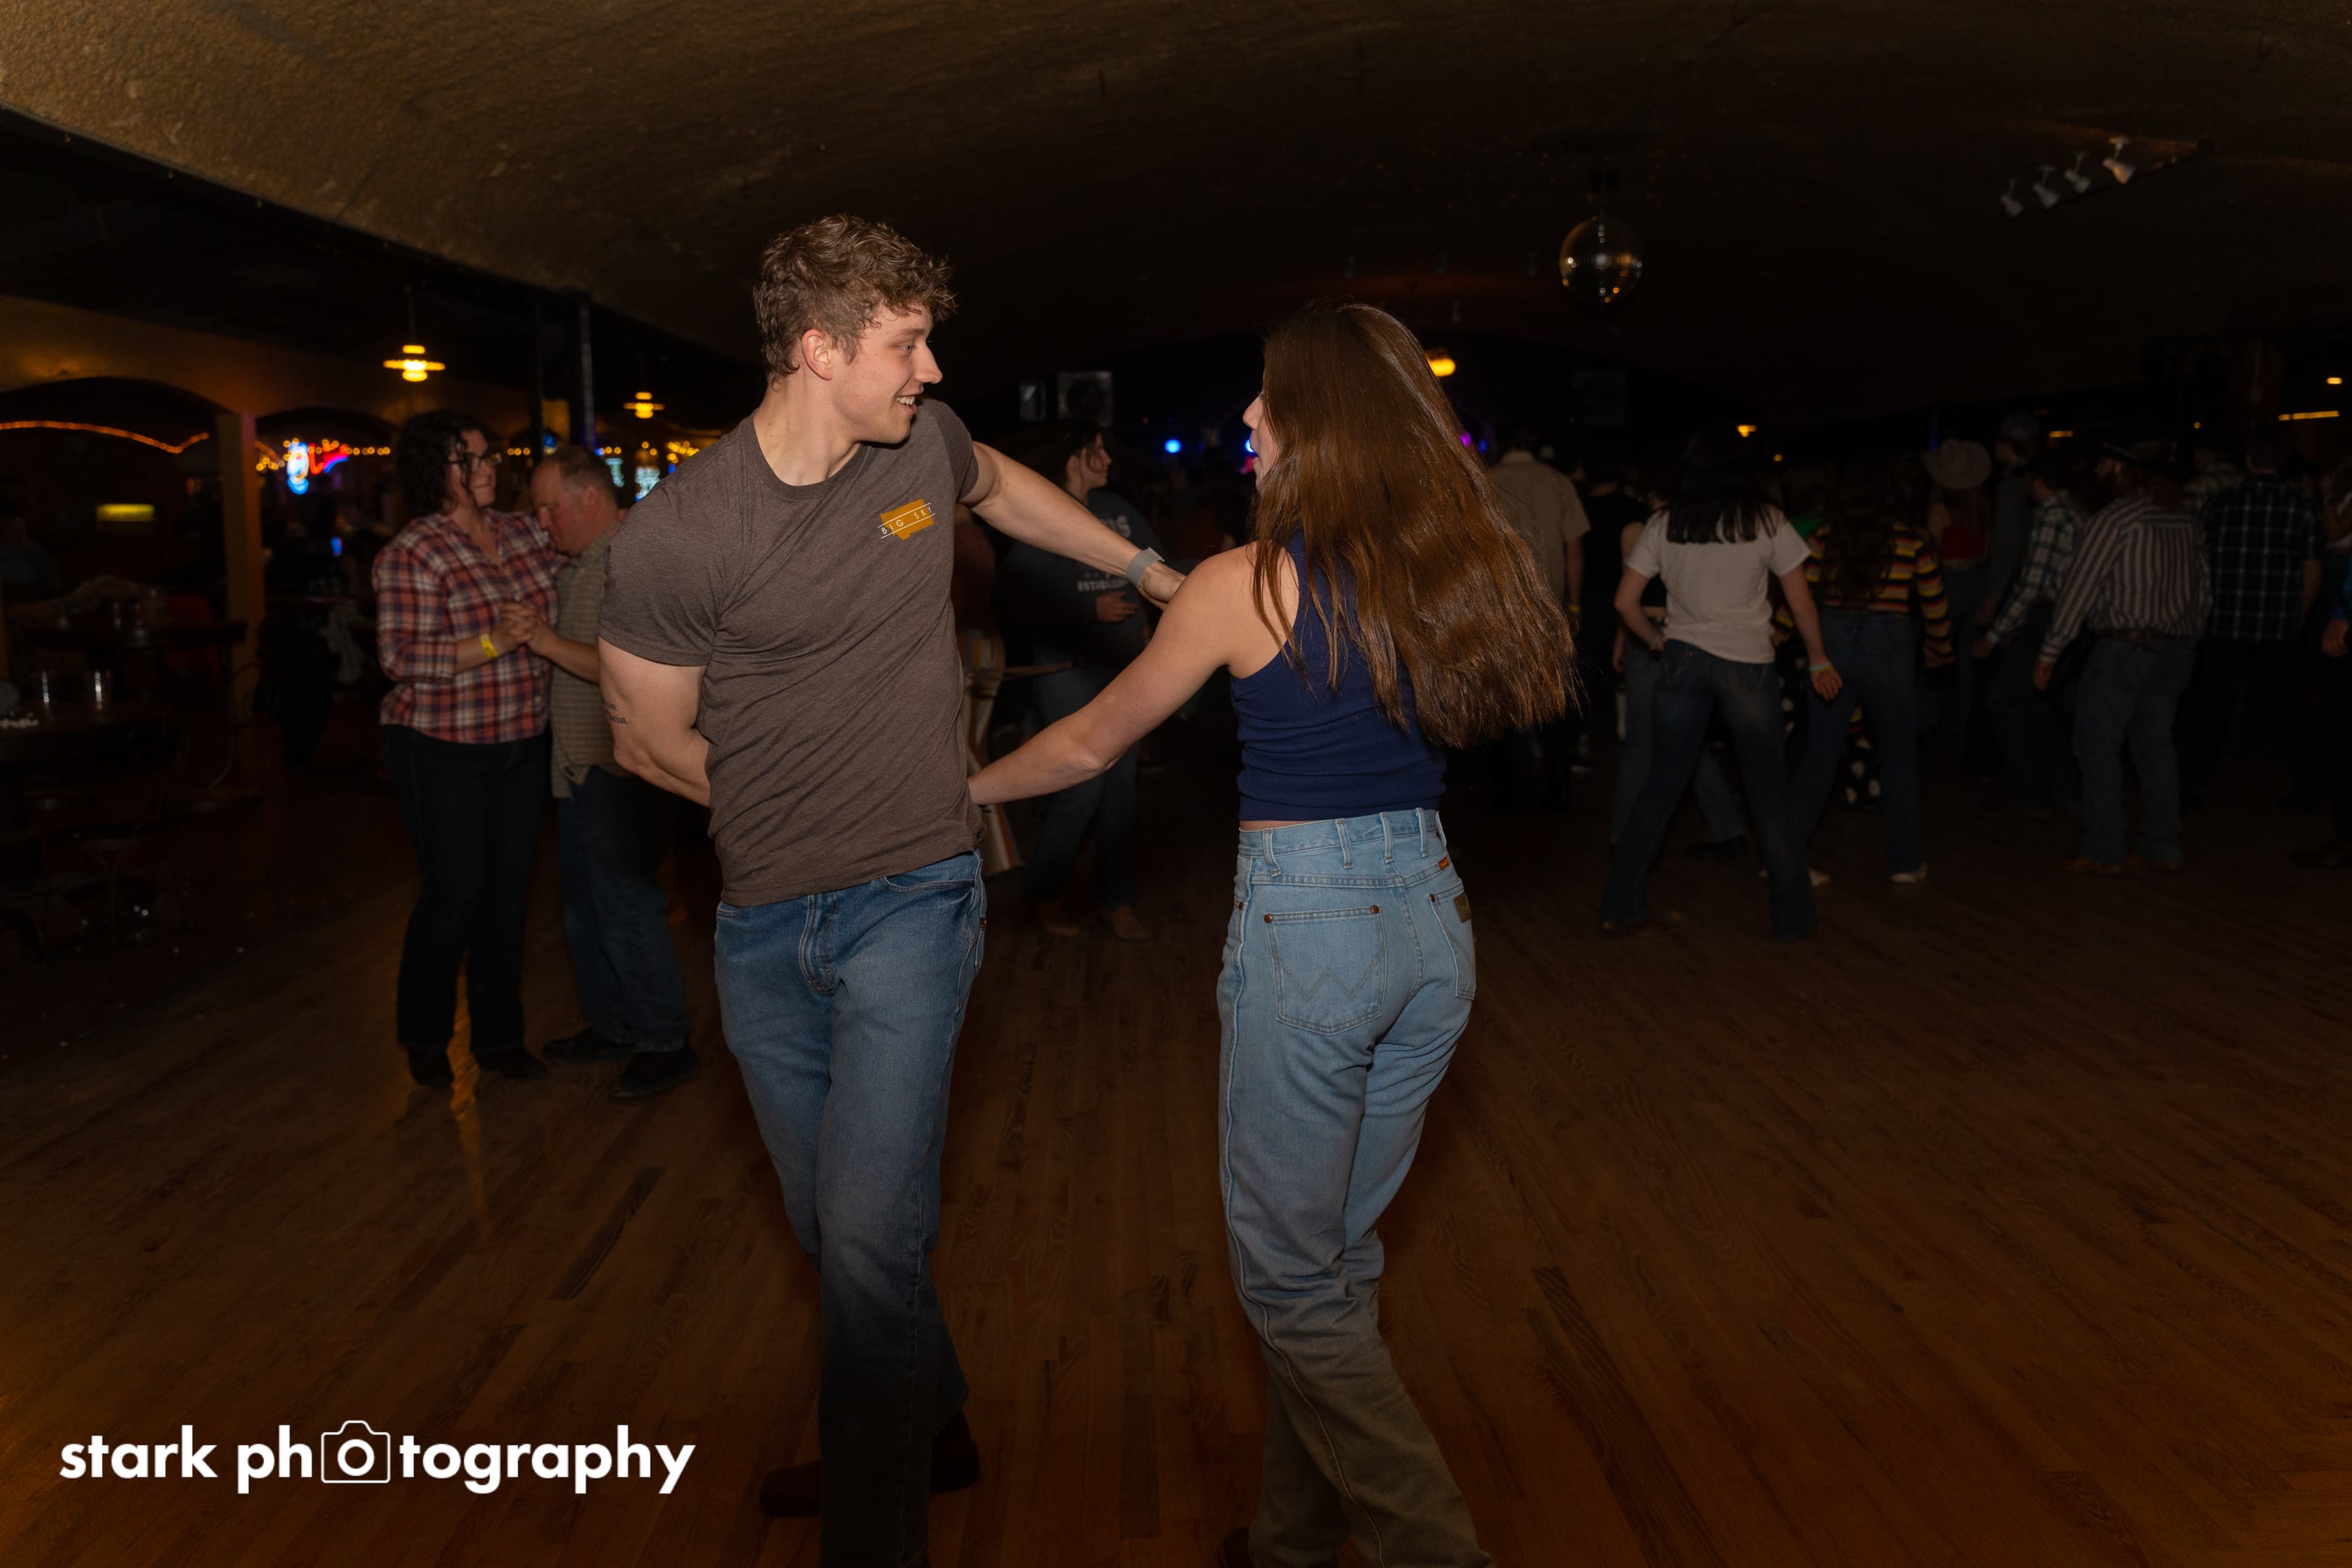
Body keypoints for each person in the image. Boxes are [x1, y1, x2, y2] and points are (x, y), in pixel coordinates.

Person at [593, 215, 1183, 1565]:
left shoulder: (922, 445)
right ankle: (934, 1416)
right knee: (832, 1225)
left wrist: (1144, 566)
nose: (930, 369)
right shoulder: (681, 535)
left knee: (866, 1234)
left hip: (917, 896)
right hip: (762, 926)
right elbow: (646, 740)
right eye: (907, 344)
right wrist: (796, 802)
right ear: (819, 349)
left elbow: (1003, 488)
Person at [967, 301, 1569, 1568]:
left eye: (1268, 395)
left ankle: (1434, 1550)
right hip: (1432, 917)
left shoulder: (1247, 582)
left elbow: (1087, 742)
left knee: (1289, 1285)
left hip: (1314, 930)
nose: (1247, 413)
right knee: (1335, 1264)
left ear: (1322, 419)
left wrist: (953, 791)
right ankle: (1295, 1539)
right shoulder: (1447, 566)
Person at [373, 410, 562, 1087]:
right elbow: (401, 657)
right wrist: (495, 642)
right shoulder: (414, 552)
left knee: (507, 898)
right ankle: (426, 1037)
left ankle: (499, 1039)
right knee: (455, 894)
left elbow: (585, 549)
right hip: (440, 747)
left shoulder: (522, 533)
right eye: (469, 459)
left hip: (520, 741)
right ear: (436, 470)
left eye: (488, 457)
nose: (486, 469)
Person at [1602, 430, 1839, 941]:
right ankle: (1793, 919)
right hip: (1747, 664)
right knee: (1768, 791)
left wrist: (1658, 642)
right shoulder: (1766, 520)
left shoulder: (1665, 522)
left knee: (1662, 782)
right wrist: (1819, 659)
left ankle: (1619, 905)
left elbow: (1624, 602)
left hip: (1683, 660)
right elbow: (1800, 603)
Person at [518, 445, 699, 1101]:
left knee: (625, 904)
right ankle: (616, 1025)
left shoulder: (628, 559)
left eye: (549, 508)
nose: (542, 522)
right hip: (580, 763)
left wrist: (543, 640)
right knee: (587, 908)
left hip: (620, 765)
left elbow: (627, 668)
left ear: (590, 499)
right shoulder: (583, 561)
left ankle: (665, 1042)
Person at [992, 420, 1162, 940]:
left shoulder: (1119, 512)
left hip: (1124, 674)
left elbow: (1156, 569)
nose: (1107, 461)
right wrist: (1090, 609)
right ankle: (1043, 891)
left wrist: (1156, 616)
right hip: (1068, 673)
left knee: (1121, 794)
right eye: (1097, 451)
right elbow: (1015, 600)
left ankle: (1116, 900)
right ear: (1074, 457)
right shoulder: (1044, 513)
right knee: (1080, 789)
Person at [2034, 441, 2212, 873]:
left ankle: (2103, 849)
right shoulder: (2184, 519)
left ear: (2120, 469)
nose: (2098, 469)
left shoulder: (2115, 519)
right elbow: (2204, 589)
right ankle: (2161, 846)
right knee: (2154, 743)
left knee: (2095, 742)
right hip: (2176, 648)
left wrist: (2050, 651)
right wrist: (2189, 636)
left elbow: (2078, 589)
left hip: (2126, 647)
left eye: (2104, 462)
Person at [1788, 453, 1953, 881]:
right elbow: (1934, 603)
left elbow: (1800, 595)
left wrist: (1778, 633)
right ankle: (1906, 863)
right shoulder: (1914, 540)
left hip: (1832, 639)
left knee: (1820, 752)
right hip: (1889, 646)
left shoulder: (1825, 537)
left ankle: (1785, 859)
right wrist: (1941, 649)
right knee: (1898, 756)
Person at [2177, 436, 2325, 805]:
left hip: (2224, 623)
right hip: (2277, 625)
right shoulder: (2301, 507)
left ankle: (2188, 787)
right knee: (2288, 710)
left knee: (2210, 708)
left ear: (2247, 460)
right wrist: (2297, 620)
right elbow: (2312, 573)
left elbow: (2198, 562)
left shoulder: (2221, 502)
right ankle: (2308, 789)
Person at [1607, 497, 1751, 859]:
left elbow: (1627, 596)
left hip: (1652, 635)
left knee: (1644, 742)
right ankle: (1727, 826)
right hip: (1682, 635)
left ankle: (1625, 838)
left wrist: (1632, 638)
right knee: (1687, 739)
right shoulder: (1697, 527)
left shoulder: (1640, 530)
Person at [1976, 446, 2086, 814]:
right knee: (2037, 706)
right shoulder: (2075, 511)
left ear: (2037, 481)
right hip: (2067, 619)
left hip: (2049, 619)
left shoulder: (2052, 516)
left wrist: (1993, 635)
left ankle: (2029, 792)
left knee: (2004, 701)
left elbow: (2032, 586)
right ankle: (2063, 791)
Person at [1484, 426, 1589, 810]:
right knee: (1551, 700)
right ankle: (1558, 784)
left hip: (1499, 610)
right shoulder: (1558, 482)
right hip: (1548, 611)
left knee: (1500, 703)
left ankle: (1503, 791)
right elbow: (1574, 549)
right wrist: (1573, 605)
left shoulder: (1484, 481)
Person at [1922, 440, 1994, 768]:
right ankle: (1962, 732)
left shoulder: (1940, 510)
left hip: (1949, 584)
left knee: (1935, 654)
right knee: (1966, 664)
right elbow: (1986, 552)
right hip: (1978, 582)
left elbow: (1931, 552)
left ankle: (1928, 727)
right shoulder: (1983, 508)